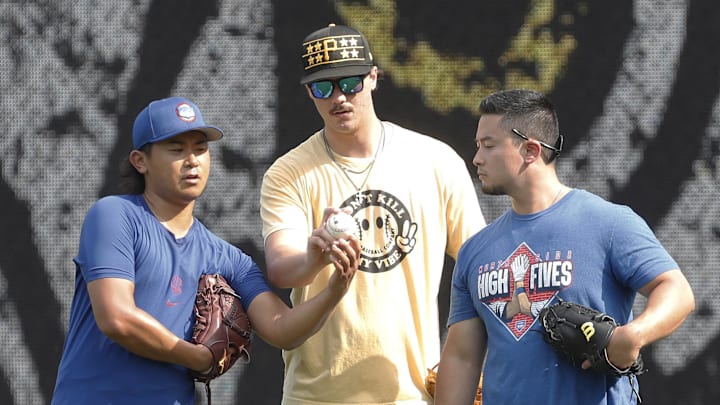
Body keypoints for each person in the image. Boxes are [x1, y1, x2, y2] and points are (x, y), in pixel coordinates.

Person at [51, 96, 356, 404]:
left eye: (200, 148)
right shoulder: (114, 216)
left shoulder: (229, 259)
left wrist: (335, 288)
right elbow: (117, 319)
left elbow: (281, 330)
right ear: (140, 161)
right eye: (176, 149)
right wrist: (199, 358)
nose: (192, 160)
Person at [260, 23, 486, 404]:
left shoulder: (435, 160)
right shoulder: (288, 172)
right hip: (315, 396)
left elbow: (481, 269)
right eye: (322, 87)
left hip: (411, 394)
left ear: (373, 77)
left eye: (350, 83)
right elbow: (281, 267)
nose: (338, 98)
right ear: (307, 92)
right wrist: (313, 259)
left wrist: (477, 360)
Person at [434, 89, 695, 404]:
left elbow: (677, 291)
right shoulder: (475, 251)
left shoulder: (609, 223)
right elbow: (462, 357)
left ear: (530, 150)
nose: (476, 158)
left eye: (488, 146)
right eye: (478, 146)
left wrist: (632, 336)